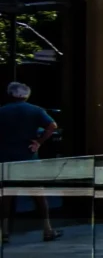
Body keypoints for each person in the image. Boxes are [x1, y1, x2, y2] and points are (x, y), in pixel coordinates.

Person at [0, 81, 61, 241]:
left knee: (6, 196)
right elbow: (52, 125)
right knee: (38, 195)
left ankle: (4, 231)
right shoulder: (35, 110)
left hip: (6, 157)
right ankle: (47, 229)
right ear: (26, 95)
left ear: (10, 94)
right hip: (29, 157)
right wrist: (39, 142)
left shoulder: (2, 111)